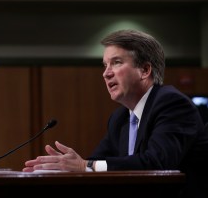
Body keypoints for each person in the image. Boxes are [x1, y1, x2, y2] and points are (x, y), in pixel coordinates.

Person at [23, 29, 208, 197]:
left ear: (144, 70)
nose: (106, 73)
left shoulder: (171, 104)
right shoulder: (120, 118)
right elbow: (95, 162)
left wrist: (84, 166)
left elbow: (156, 163)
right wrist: (66, 168)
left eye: (116, 63)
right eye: (105, 65)